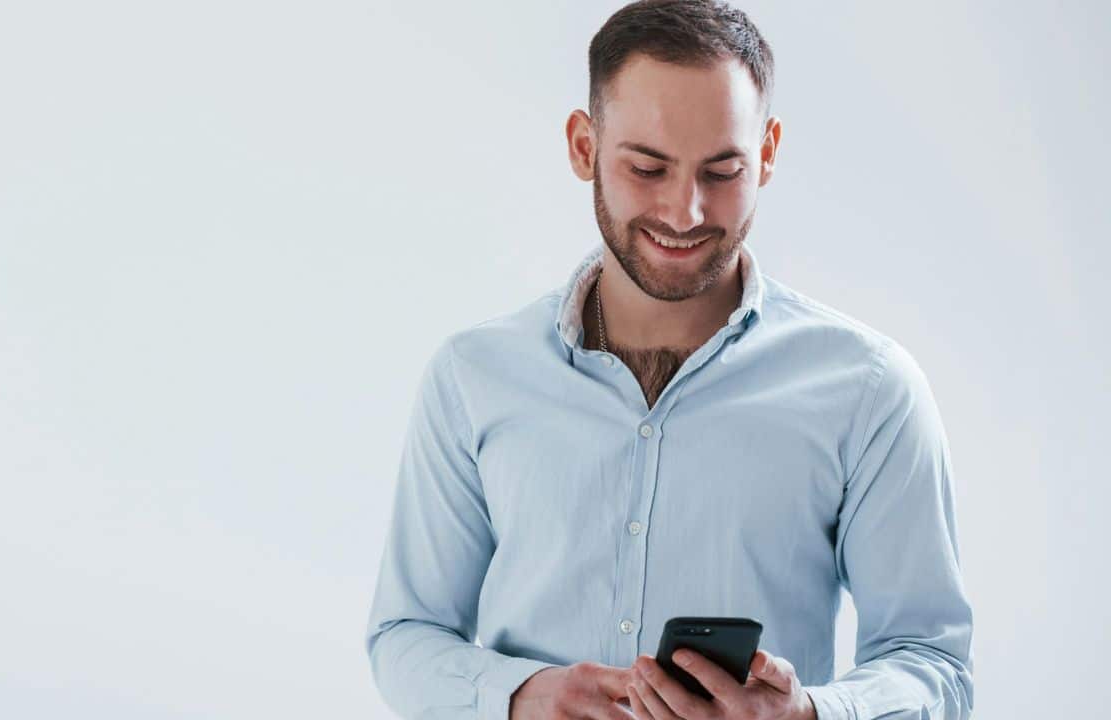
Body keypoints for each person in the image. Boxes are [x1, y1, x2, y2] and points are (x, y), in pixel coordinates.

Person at [364, 1, 974, 718]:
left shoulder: (870, 390)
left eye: (722, 171)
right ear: (584, 147)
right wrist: (522, 697)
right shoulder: (473, 377)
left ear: (769, 153)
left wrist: (806, 715)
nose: (685, 212)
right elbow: (406, 636)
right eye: (648, 167)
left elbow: (934, 664)